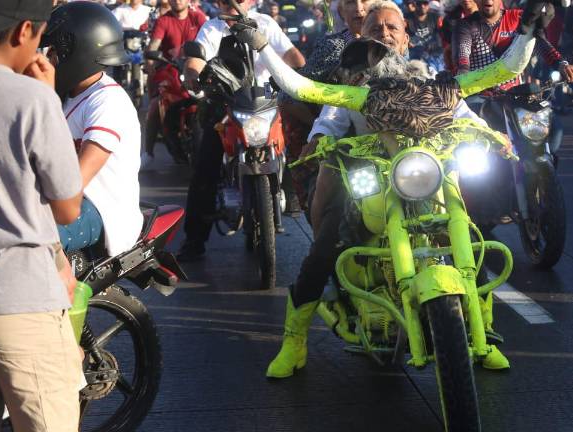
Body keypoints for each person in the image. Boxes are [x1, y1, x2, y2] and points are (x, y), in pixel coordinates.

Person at [261, 1, 514, 380]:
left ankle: (484, 332)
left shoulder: (429, 79)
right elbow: (330, 119)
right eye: (376, 28)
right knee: (328, 242)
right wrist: (317, 141)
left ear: (406, 37)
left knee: (467, 234)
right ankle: (294, 342)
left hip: (423, 174)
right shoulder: (353, 86)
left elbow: (461, 112)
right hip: (372, 174)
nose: (385, 33)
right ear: (364, 37)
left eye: (393, 27)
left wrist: (492, 135)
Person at [0, 0, 84, 429]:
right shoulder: (33, 99)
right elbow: (68, 206)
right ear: (23, 32)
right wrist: (47, 97)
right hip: (17, 296)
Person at [177, 0, 305, 260]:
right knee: (205, 167)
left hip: (266, 102)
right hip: (228, 104)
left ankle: (294, 198)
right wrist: (192, 74)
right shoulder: (212, 28)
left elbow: (293, 57)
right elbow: (197, 58)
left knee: (300, 144)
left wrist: (299, 74)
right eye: (226, 0)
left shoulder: (266, 24)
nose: (234, 4)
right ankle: (194, 240)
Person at [42, 1, 144, 256]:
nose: (48, 58)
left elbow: (76, 180)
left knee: (32, 242)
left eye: (54, 51)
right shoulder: (68, 96)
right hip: (70, 201)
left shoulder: (107, 101)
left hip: (102, 208)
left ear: (75, 52)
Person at [279, 0, 372, 218]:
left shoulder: (396, 44)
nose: (359, 8)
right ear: (341, 11)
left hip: (398, 149)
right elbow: (288, 97)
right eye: (351, 2)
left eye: (365, 1)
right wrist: (322, 132)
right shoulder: (333, 48)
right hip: (347, 150)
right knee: (335, 215)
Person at [143, 0, 207, 168]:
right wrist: (150, 62)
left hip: (195, 71)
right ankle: (148, 153)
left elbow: (211, 40)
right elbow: (154, 45)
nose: (177, 0)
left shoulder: (198, 18)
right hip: (171, 71)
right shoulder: (163, 21)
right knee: (154, 107)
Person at [455, 0, 573, 85]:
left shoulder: (519, 18)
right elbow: (463, 54)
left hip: (514, 95)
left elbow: (541, 43)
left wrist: (562, 64)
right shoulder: (465, 25)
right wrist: (462, 75)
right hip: (478, 95)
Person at [406, 0, 445, 72]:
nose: (422, 6)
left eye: (425, 3)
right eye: (419, 3)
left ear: (428, 4)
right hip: (415, 55)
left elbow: (442, 35)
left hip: (434, 53)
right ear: (415, 4)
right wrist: (407, 42)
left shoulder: (435, 17)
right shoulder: (407, 18)